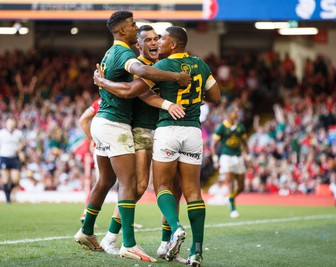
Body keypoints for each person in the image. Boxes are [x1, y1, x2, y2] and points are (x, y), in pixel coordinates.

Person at [93, 25, 221, 267]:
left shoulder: (158, 67)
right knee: (143, 186)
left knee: (172, 189)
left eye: (159, 39)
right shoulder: (148, 66)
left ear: (172, 44)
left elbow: (138, 91)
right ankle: (114, 236)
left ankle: (167, 241)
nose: (156, 43)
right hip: (160, 130)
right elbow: (134, 91)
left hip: (166, 131)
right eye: (150, 39)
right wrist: (172, 102)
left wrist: (101, 80)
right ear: (139, 44)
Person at [74, 10, 190, 263]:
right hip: (121, 125)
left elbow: (130, 87)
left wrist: (103, 83)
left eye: (154, 38)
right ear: (128, 34)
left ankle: (89, 231)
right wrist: (175, 81)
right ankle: (127, 243)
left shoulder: (115, 54)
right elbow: (137, 84)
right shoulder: (129, 57)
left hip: (113, 124)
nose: (150, 41)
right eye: (138, 30)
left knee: (108, 180)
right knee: (130, 185)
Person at [211, 105, 251, 218]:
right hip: (226, 157)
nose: (237, 114)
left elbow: (245, 143)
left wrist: (248, 158)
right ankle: (232, 208)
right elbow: (213, 145)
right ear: (228, 114)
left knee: (241, 186)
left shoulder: (240, 127)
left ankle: (230, 198)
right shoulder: (222, 127)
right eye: (235, 111)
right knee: (230, 180)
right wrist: (215, 160)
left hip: (238, 157)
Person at [0, 118, 25, 203]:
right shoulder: (2, 133)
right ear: (6, 124)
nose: (11, 125)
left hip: (14, 157)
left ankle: (8, 191)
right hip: (4, 157)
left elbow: (23, 142)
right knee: (5, 179)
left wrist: (20, 149)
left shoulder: (18, 133)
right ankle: (7, 198)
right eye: (9, 123)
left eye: (12, 123)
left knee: (15, 179)